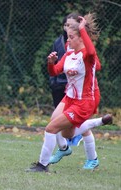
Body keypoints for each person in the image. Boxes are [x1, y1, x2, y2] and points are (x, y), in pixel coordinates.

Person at [26, 13, 111, 172]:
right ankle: (97, 122)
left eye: (71, 36)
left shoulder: (86, 55)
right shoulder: (68, 54)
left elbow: (93, 56)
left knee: (51, 128)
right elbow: (54, 72)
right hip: (70, 98)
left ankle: (42, 166)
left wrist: (82, 30)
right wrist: (51, 63)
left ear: (81, 38)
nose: (67, 39)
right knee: (66, 133)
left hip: (84, 102)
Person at [48, 13, 83, 147]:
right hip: (59, 85)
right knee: (57, 119)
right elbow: (54, 65)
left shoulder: (81, 44)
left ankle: (91, 155)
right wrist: (54, 81)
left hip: (75, 88)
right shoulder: (58, 42)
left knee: (75, 120)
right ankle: (64, 148)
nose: (68, 27)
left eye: (71, 25)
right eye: (66, 25)